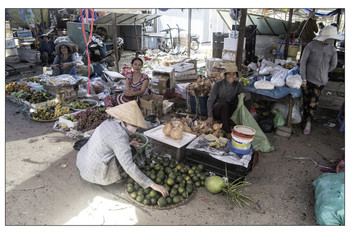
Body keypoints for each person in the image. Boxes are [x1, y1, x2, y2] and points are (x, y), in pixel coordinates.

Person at [76, 100, 169, 197]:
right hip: (94, 171)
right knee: (131, 152)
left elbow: (110, 142)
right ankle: (109, 178)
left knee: (130, 148)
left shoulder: (109, 122)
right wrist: (152, 184)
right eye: (134, 125)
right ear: (124, 121)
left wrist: (128, 144)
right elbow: (128, 166)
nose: (136, 129)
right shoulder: (119, 136)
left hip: (84, 161)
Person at [300, 25, 344, 135]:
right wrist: (303, 78)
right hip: (307, 78)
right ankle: (305, 119)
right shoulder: (311, 46)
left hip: (320, 81)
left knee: (313, 102)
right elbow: (303, 62)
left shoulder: (332, 50)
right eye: (331, 38)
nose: (332, 40)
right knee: (306, 100)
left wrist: (324, 72)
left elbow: (333, 65)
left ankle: (309, 123)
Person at [206, 63, 251, 138]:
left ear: (236, 76)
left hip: (229, 111)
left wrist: (244, 95)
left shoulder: (237, 85)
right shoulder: (218, 84)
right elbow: (210, 100)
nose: (231, 76)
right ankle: (227, 131)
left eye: (233, 74)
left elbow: (248, 95)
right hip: (218, 111)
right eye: (229, 74)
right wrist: (210, 116)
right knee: (225, 104)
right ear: (225, 75)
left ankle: (243, 125)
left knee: (245, 100)